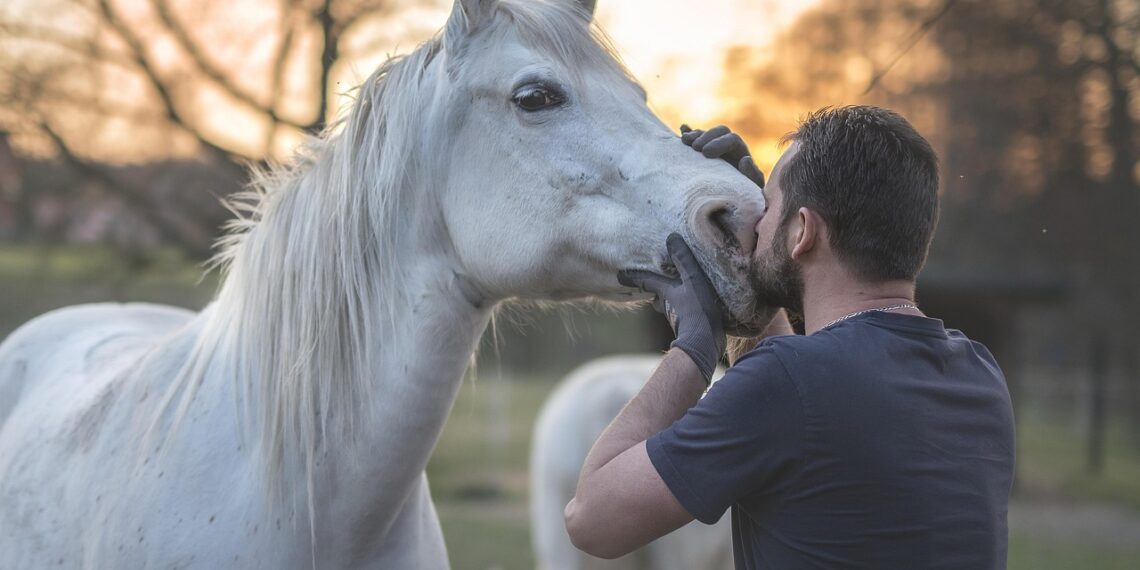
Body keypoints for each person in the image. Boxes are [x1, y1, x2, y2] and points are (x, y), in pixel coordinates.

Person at [563, 105, 1016, 569]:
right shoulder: (979, 375)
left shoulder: (788, 383)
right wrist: (749, 267)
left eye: (769, 206)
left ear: (802, 231)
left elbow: (591, 519)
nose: (758, 224)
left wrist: (694, 349)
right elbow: (803, 400)